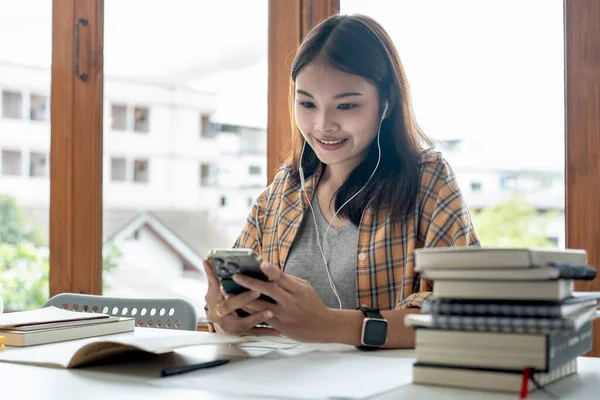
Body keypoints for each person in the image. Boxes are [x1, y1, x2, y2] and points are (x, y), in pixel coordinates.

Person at [203, 13, 480, 349]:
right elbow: (231, 309)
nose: (322, 125)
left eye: (346, 105)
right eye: (306, 103)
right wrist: (223, 316)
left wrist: (330, 325)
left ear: (387, 101)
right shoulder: (282, 192)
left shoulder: (428, 181)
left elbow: (459, 316)